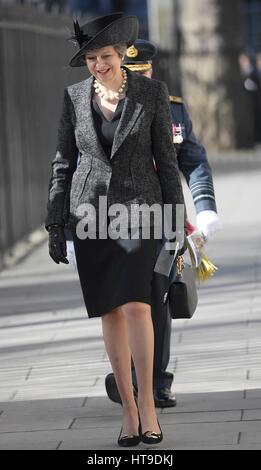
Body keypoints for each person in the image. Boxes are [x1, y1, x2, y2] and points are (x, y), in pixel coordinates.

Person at [45, 14, 185, 447]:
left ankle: (147, 406)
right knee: (109, 310)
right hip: (90, 217)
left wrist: (176, 224)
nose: (98, 65)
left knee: (138, 306)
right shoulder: (73, 97)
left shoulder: (152, 93)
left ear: (123, 54)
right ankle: (126, 409)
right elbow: (63, 162)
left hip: (141, 214)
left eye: (104, 56)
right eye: (90, 58)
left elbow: (167, 159)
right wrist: (55, 222)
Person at [103, 39, 221, 408]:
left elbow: (193, 159)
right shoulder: (102, 110)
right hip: (115, 220)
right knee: (122, 302)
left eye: (145, 74)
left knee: (159, 296)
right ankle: (128, 376)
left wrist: (205, 208)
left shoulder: (174, 111)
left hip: (162, 217)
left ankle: (154, 381)